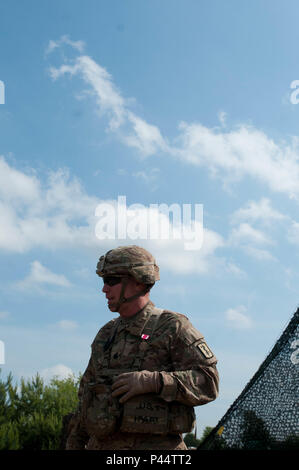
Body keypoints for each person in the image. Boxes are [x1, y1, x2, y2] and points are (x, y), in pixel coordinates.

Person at [66, 245, 219, 450]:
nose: (104, 289)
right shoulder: (106, 334)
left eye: (111, 280)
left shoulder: (172, 326)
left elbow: (208, 382)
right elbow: (86, 400)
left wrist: (154, 381)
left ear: (138, 281)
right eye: (104, 281)